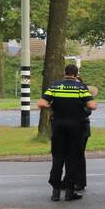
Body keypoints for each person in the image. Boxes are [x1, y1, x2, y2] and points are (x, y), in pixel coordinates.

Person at [38, 64, 97, 201]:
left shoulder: (55, 86)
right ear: (76, 74)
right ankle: (70, 192)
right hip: (75, 127)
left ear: (65, 73)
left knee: (58, 157)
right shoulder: (80, 87)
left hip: (58, 126)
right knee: (72, 158)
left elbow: (41, 103)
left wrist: (51, 105)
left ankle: (55, 191)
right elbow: (92, 105)